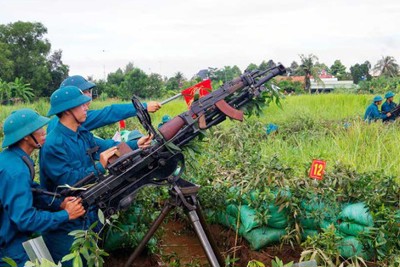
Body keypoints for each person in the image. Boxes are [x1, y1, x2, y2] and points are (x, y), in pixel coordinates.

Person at [39, 86, 153, 265]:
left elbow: (106, 146)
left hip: (88, 214)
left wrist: (136, 144)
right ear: (68, 110)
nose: (87, 107)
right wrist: (100, 166)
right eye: (81, 105)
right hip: (66, 224)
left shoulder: (81, 133)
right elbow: (69, 182)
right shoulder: (54, 144)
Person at [0, 109, 85, 267]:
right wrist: (65, 215)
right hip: (9, 245)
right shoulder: (15, 171)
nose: (44, 131)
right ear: (26, 136)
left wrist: (58, 203)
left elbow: (33, 191)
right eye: (39, 128)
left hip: (16, 235)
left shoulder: (14, 159)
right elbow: (26, 219)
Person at [47, 75, 162, 133]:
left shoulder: (58, 121)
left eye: (89, 92)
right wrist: (143, 107)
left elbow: (91, 142)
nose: (89, 96)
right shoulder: (72, 119)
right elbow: (109, 113)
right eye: (84, 92)